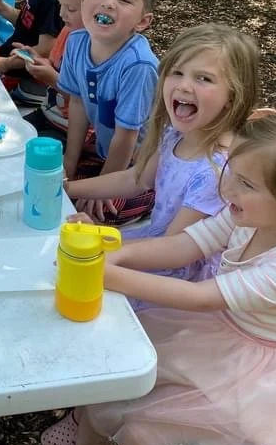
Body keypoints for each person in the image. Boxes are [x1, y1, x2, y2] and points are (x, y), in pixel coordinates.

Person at [45, 110, 276, 445]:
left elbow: (201, 298)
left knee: (145, 433)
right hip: (227, 338)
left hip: (269, 384)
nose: (227, 189)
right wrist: (117, 253)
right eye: (234, 175)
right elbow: (186, 244)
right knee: (119, 366)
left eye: (246, 184)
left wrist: (104, 273)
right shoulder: (255, 213)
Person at [68, 24, 261, 289]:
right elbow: (136, 180)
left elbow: (172, 251)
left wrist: (100, 238)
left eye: (203, 78)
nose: (184, 86)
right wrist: (67, 188)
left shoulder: (215, 173)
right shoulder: (175, 134)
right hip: (148, 247)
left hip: (172, 276)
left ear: (233, 96)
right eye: (177, 72)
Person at [59, 0, 159, 225]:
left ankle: (149, 205)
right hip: (105, 147)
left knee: (89, 213)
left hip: (140, 168)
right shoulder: (76, 41)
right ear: (83, 2)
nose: (108, 2)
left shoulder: (138, 65)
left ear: (142, 21)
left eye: (124, 0)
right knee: (44, 168)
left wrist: (103, 186)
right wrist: (69, 163)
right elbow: (78, 103)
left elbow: (127, 137)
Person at [23, 0, 112, 140]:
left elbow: (86, 101)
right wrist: (39, 60)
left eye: (71, 9)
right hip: (49, 115)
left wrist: (52, 78)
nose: (62, 14)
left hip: (74, 132)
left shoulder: (100, 51)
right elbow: (57, 65)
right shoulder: (68, 31)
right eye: (60, 5)